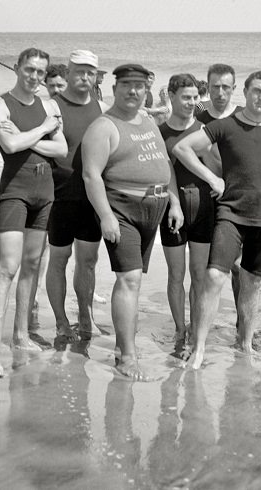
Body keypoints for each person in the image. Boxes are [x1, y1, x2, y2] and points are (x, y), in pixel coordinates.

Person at [174, 71, 261, 370]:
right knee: (214, 277)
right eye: (256, 92)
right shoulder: (225, 125)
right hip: (231, 214)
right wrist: (212, 177)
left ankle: (246, 344)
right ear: (246, 93)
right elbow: (182, 148)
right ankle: (199, 349)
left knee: (251, 284)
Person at [81, 64, 182, 380]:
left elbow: (164, 164)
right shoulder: (104, 127)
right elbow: (91, 174)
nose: (133, 91)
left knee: (135, 280)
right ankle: (127, 356)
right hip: (123, 208)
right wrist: (107, 216)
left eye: (139, 86)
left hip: (155, 207)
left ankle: (122, 346)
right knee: (129, 280)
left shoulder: (149, 120)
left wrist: (174, 203)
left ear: (146, 90)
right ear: (115, 89)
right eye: (126, 85)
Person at [0, 48, 67, 377]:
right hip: (15, 193)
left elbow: (60, 149)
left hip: (45, 193)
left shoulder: (49, 105)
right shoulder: (0, 105)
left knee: (32, 266)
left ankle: (19, 335)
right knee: (8, 267)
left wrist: (28, 137)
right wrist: (43, 128)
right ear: (17, 68)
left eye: (40, 72)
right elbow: (10, 146)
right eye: (29, 70)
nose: (35, 77)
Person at [46, 50, 107, 342]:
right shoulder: (51, 106)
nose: (84, 77)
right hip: (58, 197)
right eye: (79, 71)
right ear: (68, 73)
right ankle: (60, 321)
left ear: (96, 77)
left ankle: (86, 317)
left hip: (90, 198)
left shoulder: (102, 109)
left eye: (90, 72)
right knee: (58, 259)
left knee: (88, 261)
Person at [158, 73, 215, 345]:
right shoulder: (160, 132)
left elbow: (216, 166)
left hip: (204, 207)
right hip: (172, 210)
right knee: (176, 275)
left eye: (195, 97)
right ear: (171, 96)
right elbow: (162, 172)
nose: (192, 102)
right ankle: (180, 329)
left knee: (199, 275)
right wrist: (175, 204)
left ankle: (196, 329)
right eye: (186, 97)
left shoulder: (204, 130)